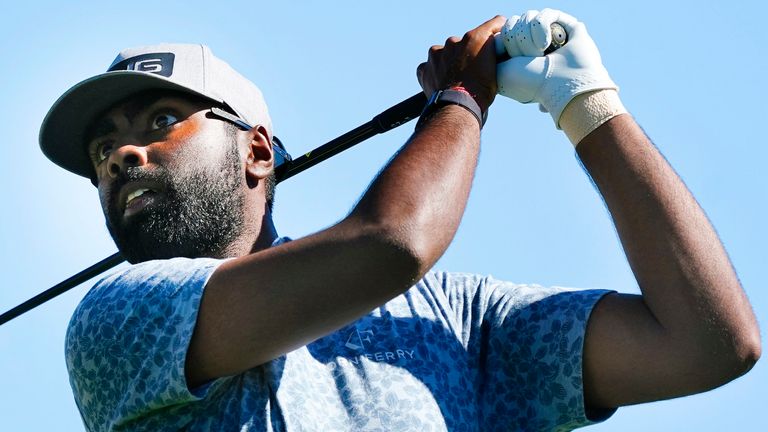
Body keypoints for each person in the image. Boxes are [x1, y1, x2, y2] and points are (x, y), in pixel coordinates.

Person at [43, 9, 759, 432]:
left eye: (162, 120)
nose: (121, 155)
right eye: (104, 149)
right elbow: (394, 244)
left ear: (257, 152)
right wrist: (460, 102)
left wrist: (589, 106)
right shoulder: (114, 320)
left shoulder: (452, 319)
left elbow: (707, 342)